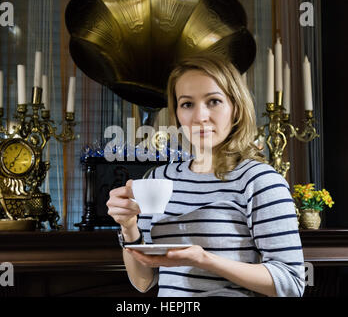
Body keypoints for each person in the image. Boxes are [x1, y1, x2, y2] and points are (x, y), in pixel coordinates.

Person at [107, 54, 305, 297]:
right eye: (187, 104)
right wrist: (128, 227)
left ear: (236, 108)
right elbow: (143, 282)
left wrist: (204, 259)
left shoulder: (259, 181)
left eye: (213, 101)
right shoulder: (157, 179)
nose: (200, 116)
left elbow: (292, 283)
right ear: (177, 113)